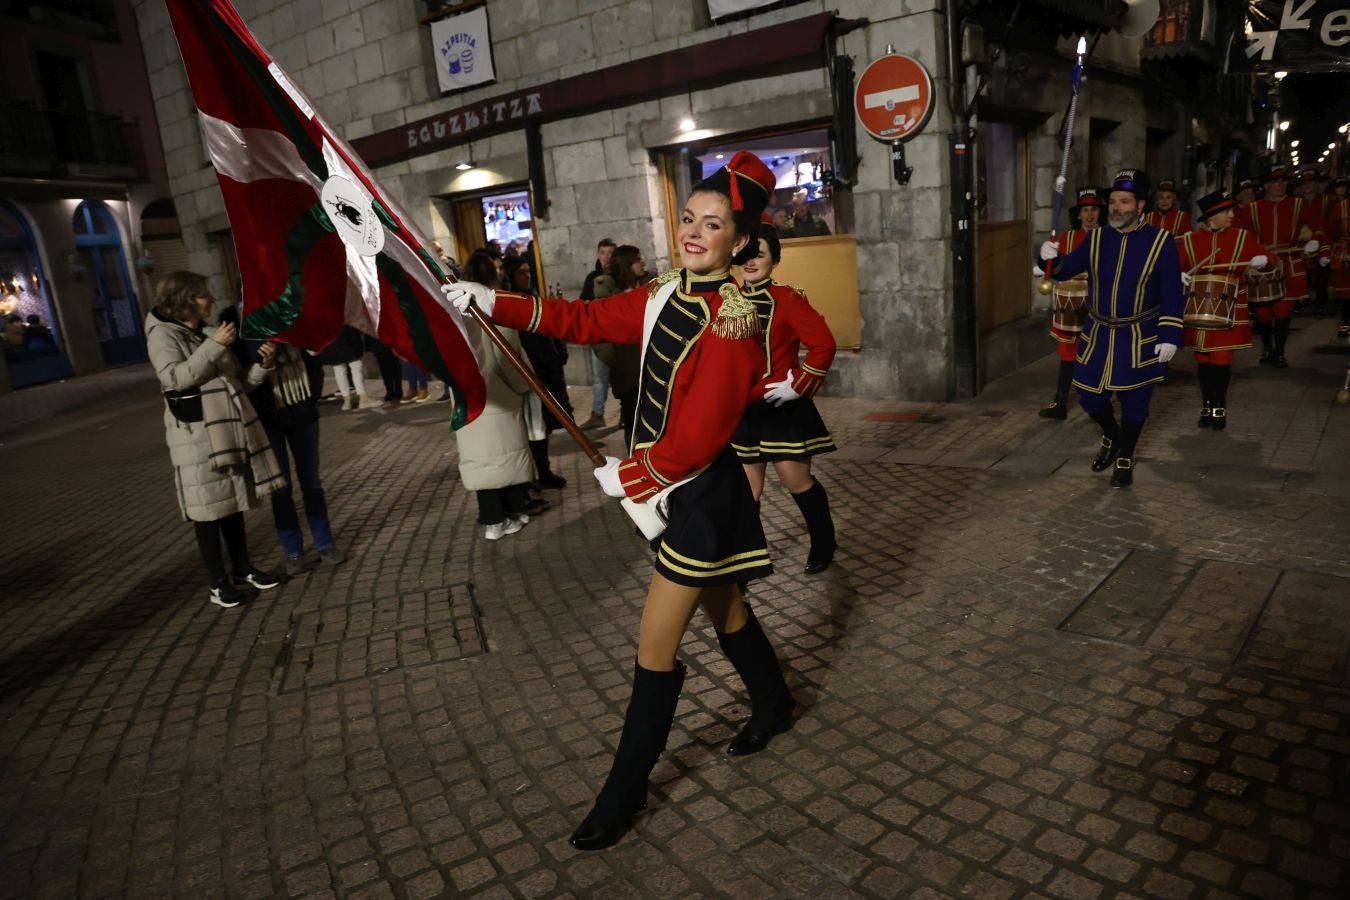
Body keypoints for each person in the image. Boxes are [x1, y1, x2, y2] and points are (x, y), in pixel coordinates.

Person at [443, 150, 797, 851]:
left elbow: (705, 431)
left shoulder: (734, 318)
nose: (695, 231)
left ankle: (622, 793)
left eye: (713, 224)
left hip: (700, 494)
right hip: (672, 485)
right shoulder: (665, 291)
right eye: (688, 218)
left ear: (740, 240)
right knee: (727, 609)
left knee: (654, 643)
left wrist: (634, 476)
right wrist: (493, 302)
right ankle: (777, 702)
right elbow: (582, 319)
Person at [145, 271, 283, 607]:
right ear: (186, 299)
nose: (210, 299)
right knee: (208, 510)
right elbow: (176, 377)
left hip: (226, 430)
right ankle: (217, 583)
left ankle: (242, 569)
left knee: (232, 505)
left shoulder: (208, 333)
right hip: (194, 436)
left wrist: (264, 366)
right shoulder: (162, 336)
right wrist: (213, 346)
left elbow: (238, 384)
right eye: (204, 294)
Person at [1040, 169, 1184, 489]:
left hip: (1139, 335)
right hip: (1100, 333)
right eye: (1113, 202)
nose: (1116, 208)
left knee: (1135, 403)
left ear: (1141, 205)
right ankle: (1111, 435)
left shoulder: (1160, 241)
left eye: (1124, 201)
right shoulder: (1097, 237)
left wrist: (1171, 334)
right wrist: (1047, 257)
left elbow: (1173, 291)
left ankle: (1125, 457)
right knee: (1090, 396)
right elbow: (1065, 268)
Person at [732, 221, 838, 573]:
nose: (751, 262)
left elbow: (824, 344)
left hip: (781, 407)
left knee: (797, 482)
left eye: (759, 255)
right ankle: (748, 561)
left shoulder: (788, 298)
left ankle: (824, 542)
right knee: (748, 494)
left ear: (773, 260)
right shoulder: (724, 299)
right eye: (745, 254)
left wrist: (801, 384)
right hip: (742, 412)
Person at [233, 329, 347, 575]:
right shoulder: (242, 326)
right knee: (280, 489)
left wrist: (313, 345)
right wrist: (264, 364)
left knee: (311, 482)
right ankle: (293, 551)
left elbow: (324, 355)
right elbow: (242, 383)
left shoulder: (294, 319)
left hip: (303, 410)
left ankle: (325, 544)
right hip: (269, 416)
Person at [455, 253, 538, 541]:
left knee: (482, 464)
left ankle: (492, 521)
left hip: (469, 402)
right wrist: (525, 387)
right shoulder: (495, 313)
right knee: (507, 460)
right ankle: (513, 513)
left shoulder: (456, 316)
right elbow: (510, 363)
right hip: (500, 399)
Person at [1175, 191, 1272, 430]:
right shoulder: (1189, 240)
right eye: (1226, 211)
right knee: (1203, 359)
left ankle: (1220, 405)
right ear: (1211, 216)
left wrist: (1265, 260)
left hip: (1229, 308)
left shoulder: (1243, 237)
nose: (1232, 215)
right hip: (1198, 308)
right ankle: (1207, 403)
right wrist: (1177, 275)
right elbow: (1170, 268)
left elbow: (1271, 258)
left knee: (1221, 359)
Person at [1232, 165, 1327, 367]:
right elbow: (1236, 234)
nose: (1279, 185)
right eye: (1274, 182)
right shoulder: (1253, 208)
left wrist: (1316, 240)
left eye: (1283, 181)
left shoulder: (1299, 205)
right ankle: (1267, 349)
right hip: (1261, 263)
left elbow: (1320, 226)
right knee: (1262, 312)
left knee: (1283, 310)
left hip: (1289, 262)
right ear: (1266, 185)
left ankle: (1280, 352)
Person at [503, 254, 570, 490]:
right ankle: (532, 474)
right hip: (529, 372)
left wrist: (558, 350)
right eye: (521, 272)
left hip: (545, 369)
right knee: (531, 428)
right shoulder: (509, 302)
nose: (527, 275)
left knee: (543, 426)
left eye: (527, 271)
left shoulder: (531, 297)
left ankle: (543, 470)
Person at [1037, 188, 1102, 419]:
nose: (1090, 215)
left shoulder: (1107, 236)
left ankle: (1098, 400)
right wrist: (1043, 262)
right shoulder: (1067, 238)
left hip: (1098, 302)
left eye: (1094, 209)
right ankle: (1060, 402)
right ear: (1079, 214)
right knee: (1067, 353)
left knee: (1098, 352)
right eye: (1085, 210)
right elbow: (1058, 267)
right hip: (1070, 305)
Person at [590, 244, 649, 447]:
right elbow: (599, 328)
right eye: (638, 259)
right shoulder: (607, 287)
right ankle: (635, 462)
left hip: (648, 362)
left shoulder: (648, 283)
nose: (643, 262)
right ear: (627, 264)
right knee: (632, 416)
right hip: (626, 365)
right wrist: (614, 360)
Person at [579, 238, 617, 428]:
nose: (607, 257)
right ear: (598, 254)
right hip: (600, 336)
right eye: (603, 252)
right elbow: (584, 303)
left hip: (619, 335)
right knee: (599, 377)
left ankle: (627, 414)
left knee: (624, 378)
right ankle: (597, 413)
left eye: (610, 253)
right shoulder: (592, 277)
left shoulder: (620, 276)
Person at [316, 325, 377, 410]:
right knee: (356, 366)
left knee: (339, 369)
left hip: (331, 338)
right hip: (347, 336)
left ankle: (346, 401)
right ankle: (363, 398)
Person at [1327, 182, 1350, 339]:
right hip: (1346, 251)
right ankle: (1347, 321)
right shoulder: (1341, 207)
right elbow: (1332, 231)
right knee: (1347, 290)